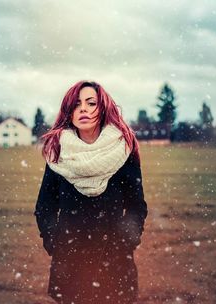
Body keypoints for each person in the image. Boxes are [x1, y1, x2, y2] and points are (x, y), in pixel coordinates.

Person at [34, 80, 148, 304]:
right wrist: (56, 244)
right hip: (70, 266)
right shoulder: (58, 154)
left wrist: (125, 241)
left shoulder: (123, 149)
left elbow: (136, 206)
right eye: (76, 105)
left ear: (103, 108)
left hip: (114, 265)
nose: (83, 109)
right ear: (69, 112)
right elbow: (44, 207)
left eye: (91, 103)